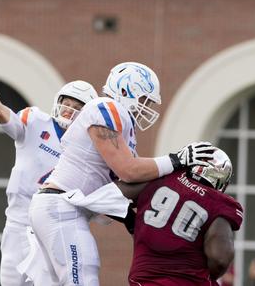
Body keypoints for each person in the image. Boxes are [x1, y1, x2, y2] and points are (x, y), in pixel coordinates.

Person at [29, 61, 215, 286]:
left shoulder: (121, 124)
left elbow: (122, 184)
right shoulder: (106, 107)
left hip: (59, 207)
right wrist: (177, 160)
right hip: (61, 208)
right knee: (83, 278)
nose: (145, 106)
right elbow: (127, 170)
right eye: (144, 99)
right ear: (127, 90)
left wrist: (131, 216)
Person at [0, 34, 98, 286]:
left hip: (54, 229)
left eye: (77, 107)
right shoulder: (36, 122)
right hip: (18, 222)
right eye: (66, 103)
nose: (69, 110)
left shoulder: (90, 148)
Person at [114, 148, 243, 285]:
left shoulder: (164, 179)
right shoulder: (218, 203)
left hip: (145, 279)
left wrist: (133, 224)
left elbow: (110, 197)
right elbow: (220, 259)